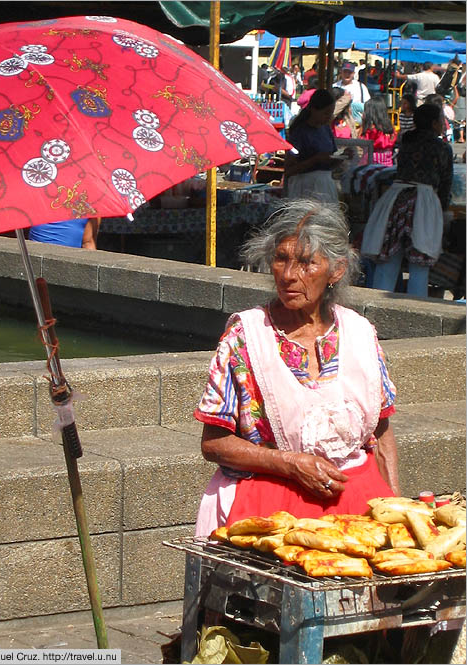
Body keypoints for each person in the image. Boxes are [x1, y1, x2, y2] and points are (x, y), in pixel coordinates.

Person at [193, 199, 399, 536]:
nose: (289, 275)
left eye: (306, 263)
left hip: (359, 507)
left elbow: (382, 432)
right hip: (269, 511)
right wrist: (289, 463)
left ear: (336, 270)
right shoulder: (245, 338)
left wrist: (395, 507)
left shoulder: (361, 333)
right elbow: (213, 444)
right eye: (281, 259)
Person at [361, 104, 453, 297]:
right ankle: (415, 311)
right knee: (419, 265)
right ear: (435, 123)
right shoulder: (442, 148)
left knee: (388, 261)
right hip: (424, 203)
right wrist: (443, 212)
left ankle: (376, 306)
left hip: (396, 200)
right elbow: (445, 184)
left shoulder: (406, 142)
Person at [284, 89, 339, 203]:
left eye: (331, 113)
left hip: (326, 188)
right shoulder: (299, 133)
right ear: (314, 109)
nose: (328, 117)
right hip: (305, 190)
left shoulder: (326, 129)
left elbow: (332, 157)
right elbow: (289, 170)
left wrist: (340, 158)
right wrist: (315, 159)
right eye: (325, 113)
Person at [360, 96, 397, 166]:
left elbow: (361, 142)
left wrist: (363, 123)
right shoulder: (390, 128)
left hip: (372, 165)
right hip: (387, 164)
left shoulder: (372, 130)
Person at [28, 217, 100, 249]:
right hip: (70, 260)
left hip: (34, 256)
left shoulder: (37, 191)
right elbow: (88, 243)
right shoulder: (91, 202)